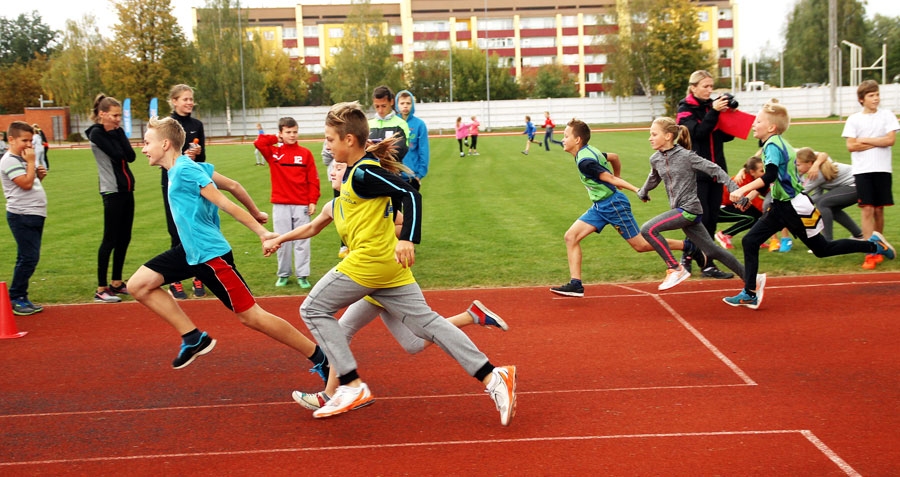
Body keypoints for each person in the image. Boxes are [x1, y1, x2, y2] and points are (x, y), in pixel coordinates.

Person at [297, 102, 516, 425]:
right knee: (427, 327)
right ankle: (492, 376)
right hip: (389, 268)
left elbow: (411, 194)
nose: (325, 146)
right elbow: (407, 190)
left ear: (349, 140)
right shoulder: (365, 169)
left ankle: (351, 384)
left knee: (312, 310)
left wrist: (407, 237)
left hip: (369, 263)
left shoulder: (363, 172)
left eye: (329, 139)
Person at [261, 161, 510, 409]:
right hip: (376, 278)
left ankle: (333, 393)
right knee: (413, 342)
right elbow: (312, 227)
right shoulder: (333, 206)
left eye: (338, 168)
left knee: (339, 328)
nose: (333, 172)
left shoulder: (373, 199)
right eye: (332, 169)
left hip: (374, 273)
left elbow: (401, 220)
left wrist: (381, 237)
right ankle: (472, 320)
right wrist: (280, 238)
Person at [128, 116, 331, 381]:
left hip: (210, 256)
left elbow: (226, 202)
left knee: (252, 317)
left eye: (147, 142)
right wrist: (256, 211)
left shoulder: (186, 171)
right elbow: (234, 185)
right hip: (189, 252)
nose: (143, 148)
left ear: (165, 144)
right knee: (138, 285)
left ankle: (321, 358)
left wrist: (262, 232)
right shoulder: (188, 166)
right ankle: (193, 338)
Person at [725, 100, 895, 309]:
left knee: (822, 249)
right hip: (782, 206)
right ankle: (750, 292)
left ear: (771, 127)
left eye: (758, 120)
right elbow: (778, 178)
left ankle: (875, 245)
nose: (753, 124)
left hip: (794, 208)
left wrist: (741, 190)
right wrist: (750, 196)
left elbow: (769, 176)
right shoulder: (776, 143)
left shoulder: (773, 145)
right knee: (750, 241)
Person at [550, 119, 693, 297]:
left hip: (613, 205)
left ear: (577, 140)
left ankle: (687, 245)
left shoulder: (585, 162)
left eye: (566, 136)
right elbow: (614, 157)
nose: (562, 139)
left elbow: (610, 179)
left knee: (640, 245)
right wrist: (617, 173)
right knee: (571, 237)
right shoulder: (588, 151)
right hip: (600, 206)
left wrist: (636, 190)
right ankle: (576, 284)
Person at [637, 117, 746, 291]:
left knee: (648, 229)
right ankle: (751, 278)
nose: (650, 138)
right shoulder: (655, 159)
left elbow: (715, 169)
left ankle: (675, 268)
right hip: (681, 212)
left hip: (689, 210)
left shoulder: (687, 156)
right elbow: (653, 178)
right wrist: (643, 192)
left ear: (668, 136)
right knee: (712, 251)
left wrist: (734, 189)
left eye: (654, 134)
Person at [676, 70, 736, 279]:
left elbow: (726, 136)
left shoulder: (712, 107)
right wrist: (715, 113)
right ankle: (687, 257)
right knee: (696, 218)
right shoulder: (684, 110)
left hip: (716, 171)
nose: (710, 90)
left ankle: (708, 264)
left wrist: (729, 115)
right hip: (695, 172)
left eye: (712, 86)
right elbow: (698, 133)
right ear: (693, 87)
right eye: (706, 86)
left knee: (712, 219)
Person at [254, 117, 320, 289]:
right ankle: (283, 274)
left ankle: (302, 275)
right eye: (288, 132)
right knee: (280, 241)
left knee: (302, 241)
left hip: (301, 204)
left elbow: (313, 179)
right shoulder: (274, 153)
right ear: (281, 133)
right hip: (281, 204)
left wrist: (313, 200)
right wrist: (276, 139)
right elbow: (259, 143)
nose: (292, 135)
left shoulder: (305, 153)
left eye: (295, 132)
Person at [841, 79, 900, 270]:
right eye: (871, 95)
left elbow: (890, 140)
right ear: (862, 99)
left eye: (877, 95)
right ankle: (870, 249)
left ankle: (879, 245)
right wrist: (878, 141)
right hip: (863, 170)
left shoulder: (887, 116)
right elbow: (851, 145)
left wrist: (865, 140)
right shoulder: (854, 119)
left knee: (879, 209)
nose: (876, 99)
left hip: (882, 169)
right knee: (867, 209)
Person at [86, 94, 136, 304]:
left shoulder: (117, 131)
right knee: (110, 239)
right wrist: (119, 139)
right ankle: (101, 287)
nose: (118, 120)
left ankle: (116, 281)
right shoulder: (96, 133)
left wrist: (118, 134)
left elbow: (130, 156)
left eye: (120, 116)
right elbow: (117, 154)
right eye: (114, 116)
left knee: (124, 238)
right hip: (111, 191)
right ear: (102, 114)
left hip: (127, 189)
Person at [162, 84, 207, 299]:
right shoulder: (166, 126)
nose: (189, 102)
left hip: (192, 183)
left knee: (195, 228)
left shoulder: (196, 124)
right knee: (176, 230)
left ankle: (198, 275)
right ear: (174, 101)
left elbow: (203, 158)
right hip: (172, 184)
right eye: (185, 99)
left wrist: (196, 153)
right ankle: (175, 281)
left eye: (191, 99)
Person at [1, 121, 48, 316]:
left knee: (28, 257)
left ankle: (21, 296)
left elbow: (32, 183)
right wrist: (31, 163)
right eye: (24, 140)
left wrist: (38, 175)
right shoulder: (10, 160)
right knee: (28, 257)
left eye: (30, 140)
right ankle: (16, 297)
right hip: (22, 215)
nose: (29, 145)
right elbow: (25, 185)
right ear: (11, 139)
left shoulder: (19, 159)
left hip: (34, 213)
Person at [796, 147, 863, 241]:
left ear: (810, 163)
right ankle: (859, 235)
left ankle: (827, 242)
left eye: (798, 165)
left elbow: (801, 193)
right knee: (830, 207)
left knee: (822, 203)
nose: (796, 167)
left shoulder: (816, 174)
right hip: (858, 185)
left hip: (858, 185)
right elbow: (815, 196)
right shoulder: (817, 168)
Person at [715, 156, 766, 250]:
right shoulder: (743, 180)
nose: (765, 174)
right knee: (752, 217)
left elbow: (765, 191)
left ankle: (756, 239)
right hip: (717, 209)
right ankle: (724, 235)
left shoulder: (753, 177)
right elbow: (754, 202)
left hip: (729, 205)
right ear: (752, 172)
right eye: (762, 171)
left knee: (756, 214)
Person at [395, 90, 429, 190]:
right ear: (397, 105)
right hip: (394, 175)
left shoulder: (419, 125)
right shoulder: (393, 123)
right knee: (394, 206)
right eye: (402, 103)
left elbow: (424, 150)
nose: (405, 106)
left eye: (408, 103)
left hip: (412, 176)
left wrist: (420, 174)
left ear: (412, 105)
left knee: (411, 205)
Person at [368, 85, 409, 161]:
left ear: (392, 102)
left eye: (383, 106)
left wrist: (374, 149)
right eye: (377, 106)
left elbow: (400, 151)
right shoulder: (368, 125)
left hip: (391, 171)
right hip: (371, 170)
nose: (380, 110)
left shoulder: (401, 124)